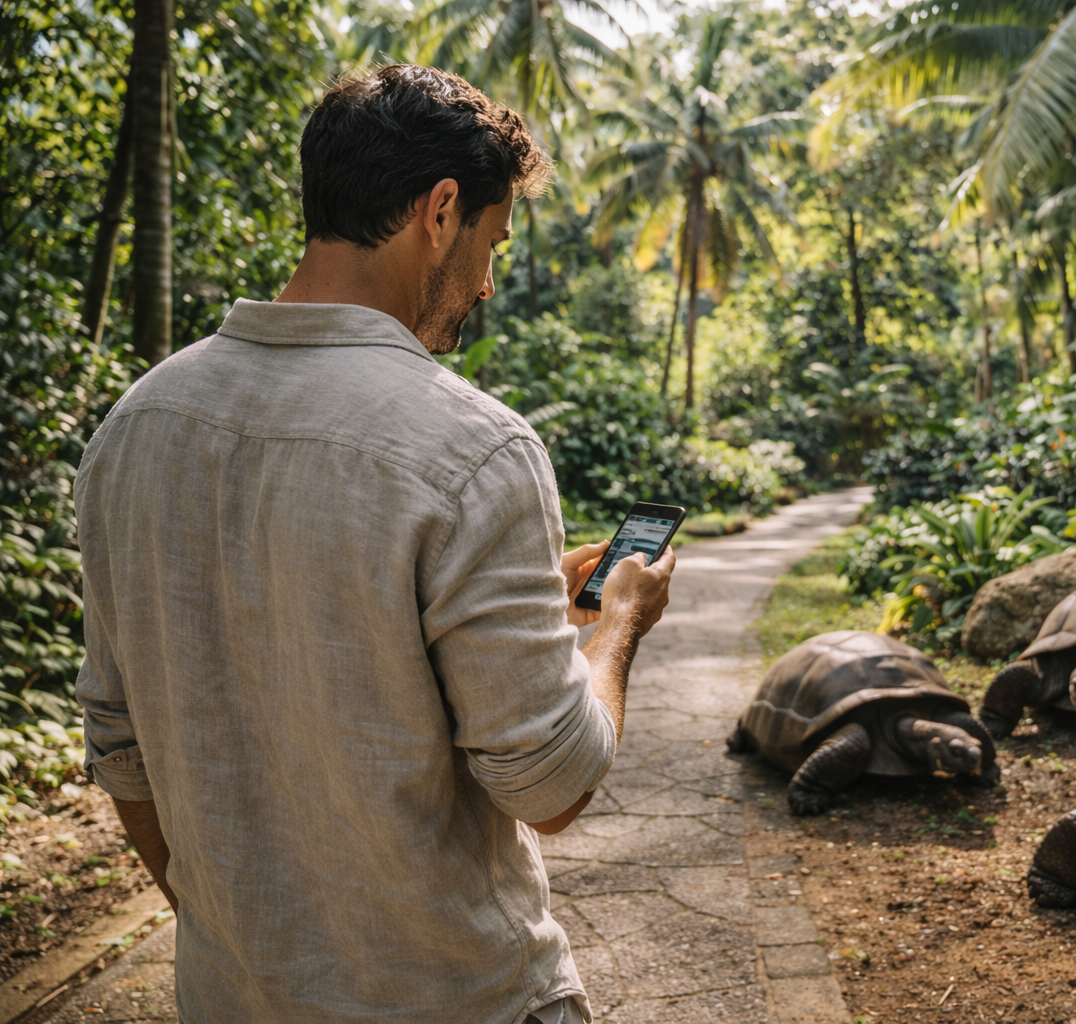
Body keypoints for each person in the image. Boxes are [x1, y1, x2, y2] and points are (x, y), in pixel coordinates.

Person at [73, 64, 673, 1024]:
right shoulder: (475, 449)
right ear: (440, 211)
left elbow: (120, 741)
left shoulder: (132, 430)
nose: (484, 282)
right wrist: (621, 622)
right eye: (491, 242)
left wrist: (233, 935)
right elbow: (550, 783)